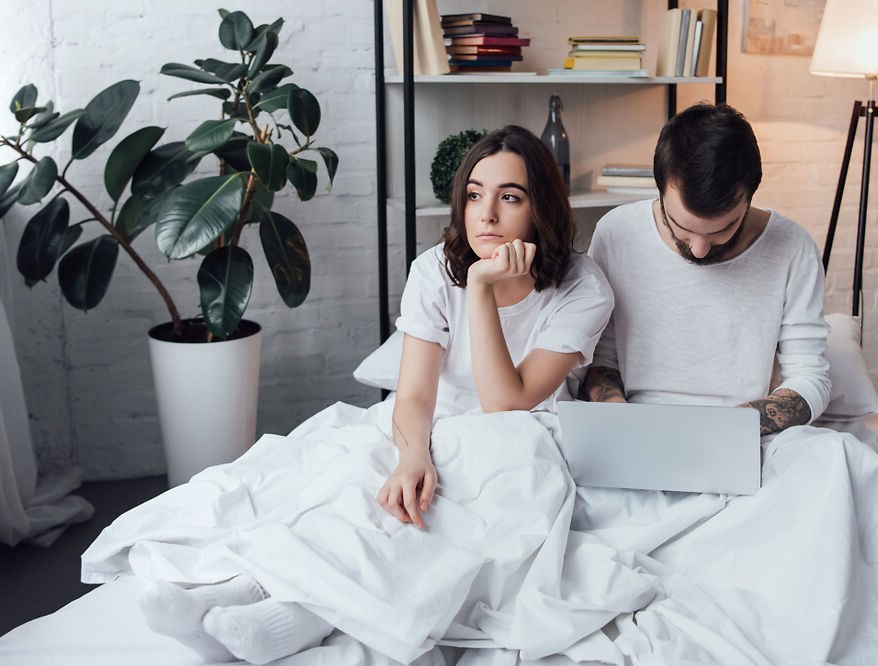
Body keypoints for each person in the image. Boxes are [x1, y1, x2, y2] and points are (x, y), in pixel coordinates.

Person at [87, 125, 614, 664]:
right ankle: (246, 591)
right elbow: (411, 395)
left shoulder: (582, 286)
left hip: (517, 443)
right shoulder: (434, 269)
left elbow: (507, 402)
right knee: (362, 496)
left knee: (432, 529)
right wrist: (413, 455)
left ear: (541, 207)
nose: (487, 215)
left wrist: (479, 288)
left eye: (510, 197)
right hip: (429, 424)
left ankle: (292, 619)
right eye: (475, 195)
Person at [580, 102, 831, 433]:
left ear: (750, 198)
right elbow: (600, 359)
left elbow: (810, 376)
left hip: (748, 432)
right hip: (641, 425)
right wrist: (623, 421)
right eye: (682, 228)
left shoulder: (793, 246)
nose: (698, 251)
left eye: (721, 230)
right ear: (660, 189)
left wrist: (728, 428)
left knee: (843, 461)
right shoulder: (617, 232)